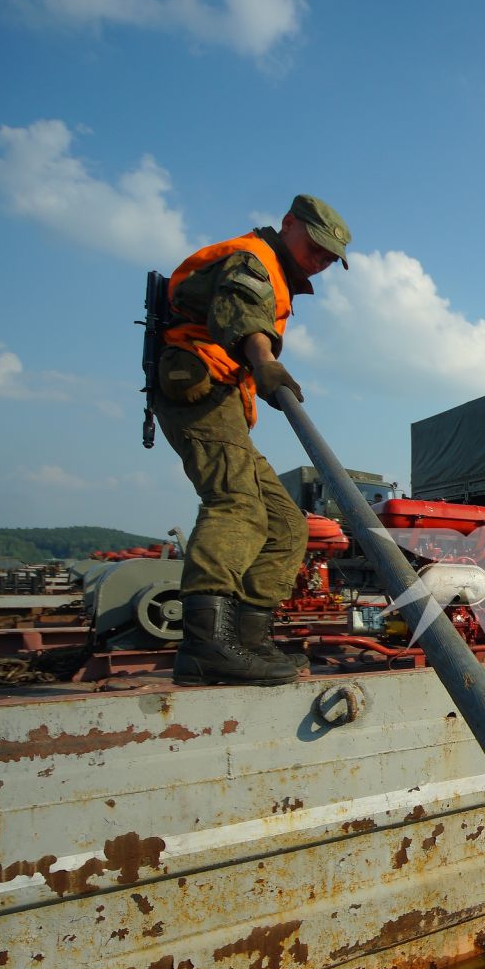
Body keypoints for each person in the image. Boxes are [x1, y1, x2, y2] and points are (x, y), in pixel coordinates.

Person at [152, 194, 353, 685]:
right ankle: (206, 646)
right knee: (237, 505)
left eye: (330, 257)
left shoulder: (277, 273)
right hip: (198, 390)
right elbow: (240, 316)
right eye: (317, 246)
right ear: (288, 224)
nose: (322, 261)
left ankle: (248, 640)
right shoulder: (253, 259)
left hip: (222, 400)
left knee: (287, 525)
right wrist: (263, 362)